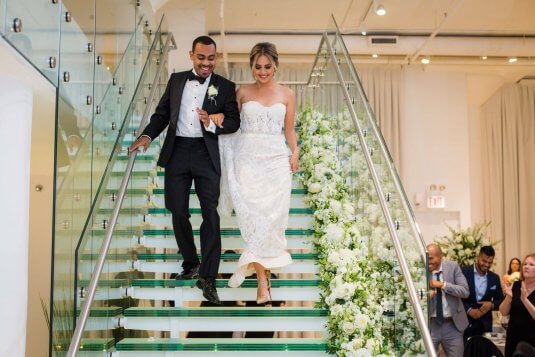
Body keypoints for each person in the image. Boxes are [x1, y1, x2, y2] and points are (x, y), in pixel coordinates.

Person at [129, 36, 240, 305]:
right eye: (201, 57)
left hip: (206, 154)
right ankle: (190, 261)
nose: (206, 63)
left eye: (211, 58)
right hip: (177, 151)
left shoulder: (225, 87)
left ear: (216, 56)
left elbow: (234, 121)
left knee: (209, 214)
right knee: (178, 211)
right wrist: (147, 136)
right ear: (192, 55)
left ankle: (208, 276)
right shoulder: (176, 80)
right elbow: (162, 113)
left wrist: (211, 123)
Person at [217, 42, 298, 304]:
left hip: (275, 160)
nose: (262, 71)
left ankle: (264, 277)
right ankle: (263, 280)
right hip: (247, 160)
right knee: (254, 220)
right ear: (251, 66)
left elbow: (288, 130)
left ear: (275, 66)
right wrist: (216, 118)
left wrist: (294, 152)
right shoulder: (241, 92)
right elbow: (232, 123)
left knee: (271, 220)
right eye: (257, 66)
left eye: (267, 67)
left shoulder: (287, 94)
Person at [427, 243, 470, 357]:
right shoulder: (421, 270)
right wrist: (425, 295)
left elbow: (465, 291)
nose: (428, 262)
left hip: (453, 326)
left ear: (440, 256)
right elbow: (414, 294)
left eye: (431, 258)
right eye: (426, 258)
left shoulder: (453, 267)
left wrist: (442, 285)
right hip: (431, 325)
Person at [462, 246, 504, 341]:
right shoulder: (463, 272)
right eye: (484, 261)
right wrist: (468, 310)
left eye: (490, 262)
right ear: (478, 257)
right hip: (464, 323)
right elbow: (455, 297)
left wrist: (492, 305)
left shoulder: (495, 278)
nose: (487, 265)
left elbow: (501, 301)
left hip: (485, 326)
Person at [499, 253, 535, 357]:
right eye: (525, 264)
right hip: (513, 337)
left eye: (531, 264)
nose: (526, 266)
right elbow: (503, 311)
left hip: (531, 340)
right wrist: (509, 297)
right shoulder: (516, 284)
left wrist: (524, 300)